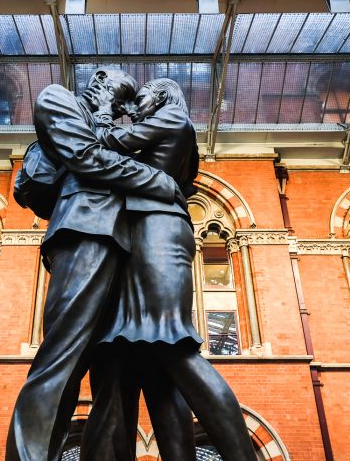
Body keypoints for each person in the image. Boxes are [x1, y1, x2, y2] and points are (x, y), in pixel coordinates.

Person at [7, 69, 187, 461]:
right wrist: (157, 180)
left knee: (116, 376)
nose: (121, 107)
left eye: (124, 103)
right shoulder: (58, 98)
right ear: (99, 78)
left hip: (125, 247)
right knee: (62, 359)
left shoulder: (110, 124)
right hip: (85, 231)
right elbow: (87, 157)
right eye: (119, 95)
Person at [81, 78, 259, 461]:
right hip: (140, 233)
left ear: (160, 95)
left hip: (157, 229)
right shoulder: (164, 129)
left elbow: (106, 147)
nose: (137, 104)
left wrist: (104, 111)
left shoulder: (172, 117)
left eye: (141, 97)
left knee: (170, 343)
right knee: (148, 369)